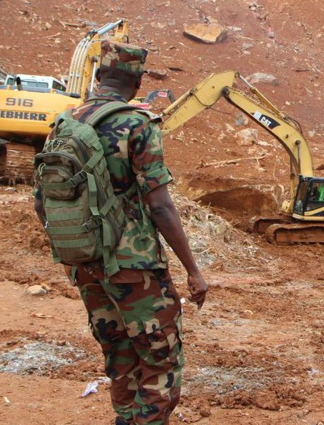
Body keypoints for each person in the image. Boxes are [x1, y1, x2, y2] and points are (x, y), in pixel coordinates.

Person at [34, 41, 208, 425]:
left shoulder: (64, 123)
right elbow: (160, 206)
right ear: (138, 81)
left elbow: (42, 201)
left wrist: (76, 247)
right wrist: (193, 270)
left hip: (83, 262)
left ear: (98, 77)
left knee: (120, 355)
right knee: (161, 359)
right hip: (134, 266)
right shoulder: (137, 124)